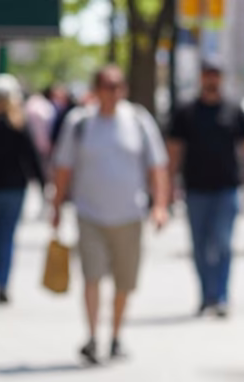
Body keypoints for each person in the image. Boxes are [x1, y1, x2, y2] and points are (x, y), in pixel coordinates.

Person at [51, 65, 169, 364]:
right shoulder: (80, 123)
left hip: (129, 213)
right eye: (106, 86)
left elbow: (157, 167)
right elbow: (64, 167)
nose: (112, 92)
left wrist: (160, 206)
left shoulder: (138, 121)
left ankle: (115, 336)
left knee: (124, 281)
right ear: (96, 89)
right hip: (89, 212)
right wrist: (55, 207)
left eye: (117, 86)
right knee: (92, 276)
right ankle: (92, 337)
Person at [166, 58, 244, 318]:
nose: (211, 79)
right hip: (195, 189)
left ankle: (220, 297)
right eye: (208, 74)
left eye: (216, 74)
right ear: (201, 78)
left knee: (222, 243)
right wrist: (167, 187)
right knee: (199, 246)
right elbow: (174, 151)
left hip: (226, 189)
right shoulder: (186, 112)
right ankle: (206, 295)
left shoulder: (233, 110)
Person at [0, 74, 45, 305]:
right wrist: (44, 184)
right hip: (12, 190)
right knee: (6, 237)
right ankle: (3, 282)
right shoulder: (18, 124)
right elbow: (33, 158)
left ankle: (0, 282)